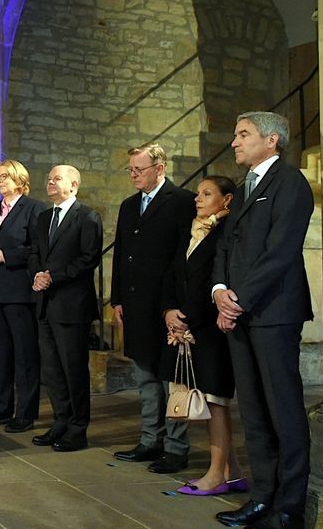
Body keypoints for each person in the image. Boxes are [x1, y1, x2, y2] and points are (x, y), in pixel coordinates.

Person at [212, 111, 314, 529]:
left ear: (271, 140)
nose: (234, 142)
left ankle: (289, 507)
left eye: (243, 134)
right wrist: (219, 291)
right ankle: (261, 496)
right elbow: (224, 247)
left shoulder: (290, 184)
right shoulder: (243, 187)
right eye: (235, 134)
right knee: (252, 411)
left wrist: (240, 299)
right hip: (238, 313)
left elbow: (281, 250)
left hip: (273, 312)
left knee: (283, 410)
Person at [110, 144, 196, 474]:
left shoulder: (182, 201)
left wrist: (175, 305)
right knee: (145, 377)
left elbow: (183, 258)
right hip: (135, 304)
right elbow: (120, 255)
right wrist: (117, 298)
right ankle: (150, 440)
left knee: (172, 380)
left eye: (139, 170)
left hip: (168, 307)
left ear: (159, 168)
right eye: (130, 170)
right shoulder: (129, 206)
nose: (133, 175)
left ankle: (176, 448)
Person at [159, 176, 246, 496]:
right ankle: (232, 473)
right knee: (210, 401)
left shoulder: (228, 232)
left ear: (226, 200)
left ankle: (215, 475)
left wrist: (189, 320)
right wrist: (169, 311)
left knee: (216, 402)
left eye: (207, 194)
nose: (198, 199)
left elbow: (216, 280)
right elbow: (173, 274)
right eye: (197, 193)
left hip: (211, 329)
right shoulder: (190, 230)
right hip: (185, 327)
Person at [28, 165, 103, 452]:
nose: (50, 181)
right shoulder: (45, 217)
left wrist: (52, 277)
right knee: (52, 369)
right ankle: (60, 421)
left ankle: (77, 428)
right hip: (45, 303)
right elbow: (35, 252)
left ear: (73, 185)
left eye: (56, 178)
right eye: (48, 177)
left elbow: (88, 258)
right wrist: (37, 274)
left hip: (71, 305)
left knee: (73, 369)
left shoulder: (87, 216)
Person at [0, 160, 47, 433]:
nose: (0, 180)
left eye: (5, 176)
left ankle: (25, 413)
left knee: (24, 353)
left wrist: (5, 256)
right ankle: (1, 407)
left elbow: (36, 249)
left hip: (18, 291)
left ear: (20, 179)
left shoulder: (34, 208)